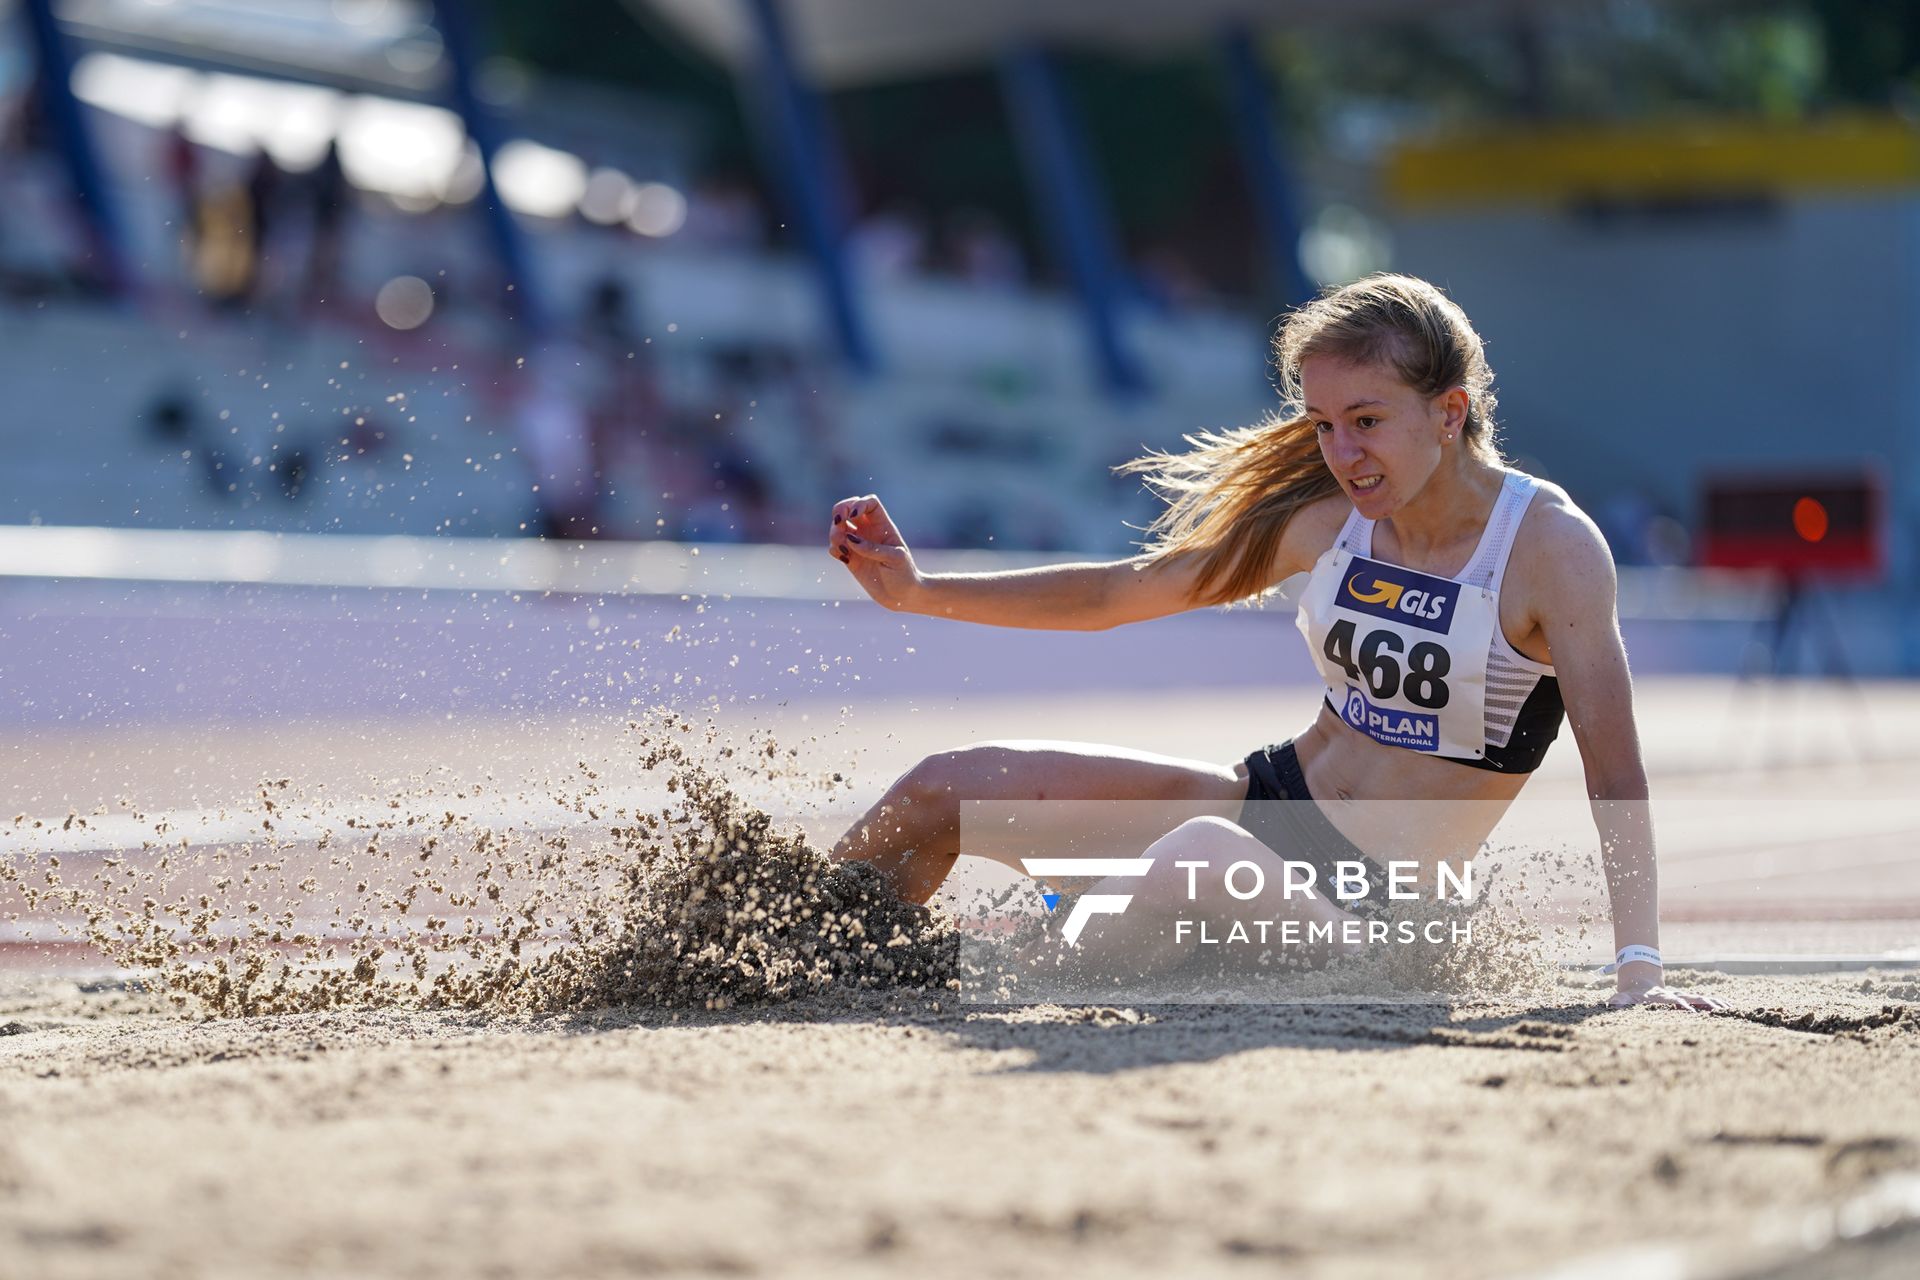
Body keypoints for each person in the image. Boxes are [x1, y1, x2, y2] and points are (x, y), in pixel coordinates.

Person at [826, 273, 1723, 1011]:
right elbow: (1114, 593)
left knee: (1197, 859)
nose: (1342, 452)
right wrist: (917, 590)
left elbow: (1617, 775)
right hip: (1262, 805)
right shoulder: (1328, 524)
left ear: (1449, 412)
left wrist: (1638, 967)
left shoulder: (1551, 553)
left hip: (1379, 911)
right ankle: (774, 954)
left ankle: (998, 968)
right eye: (1323, 425)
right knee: (947, 784)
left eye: (1366, 421)